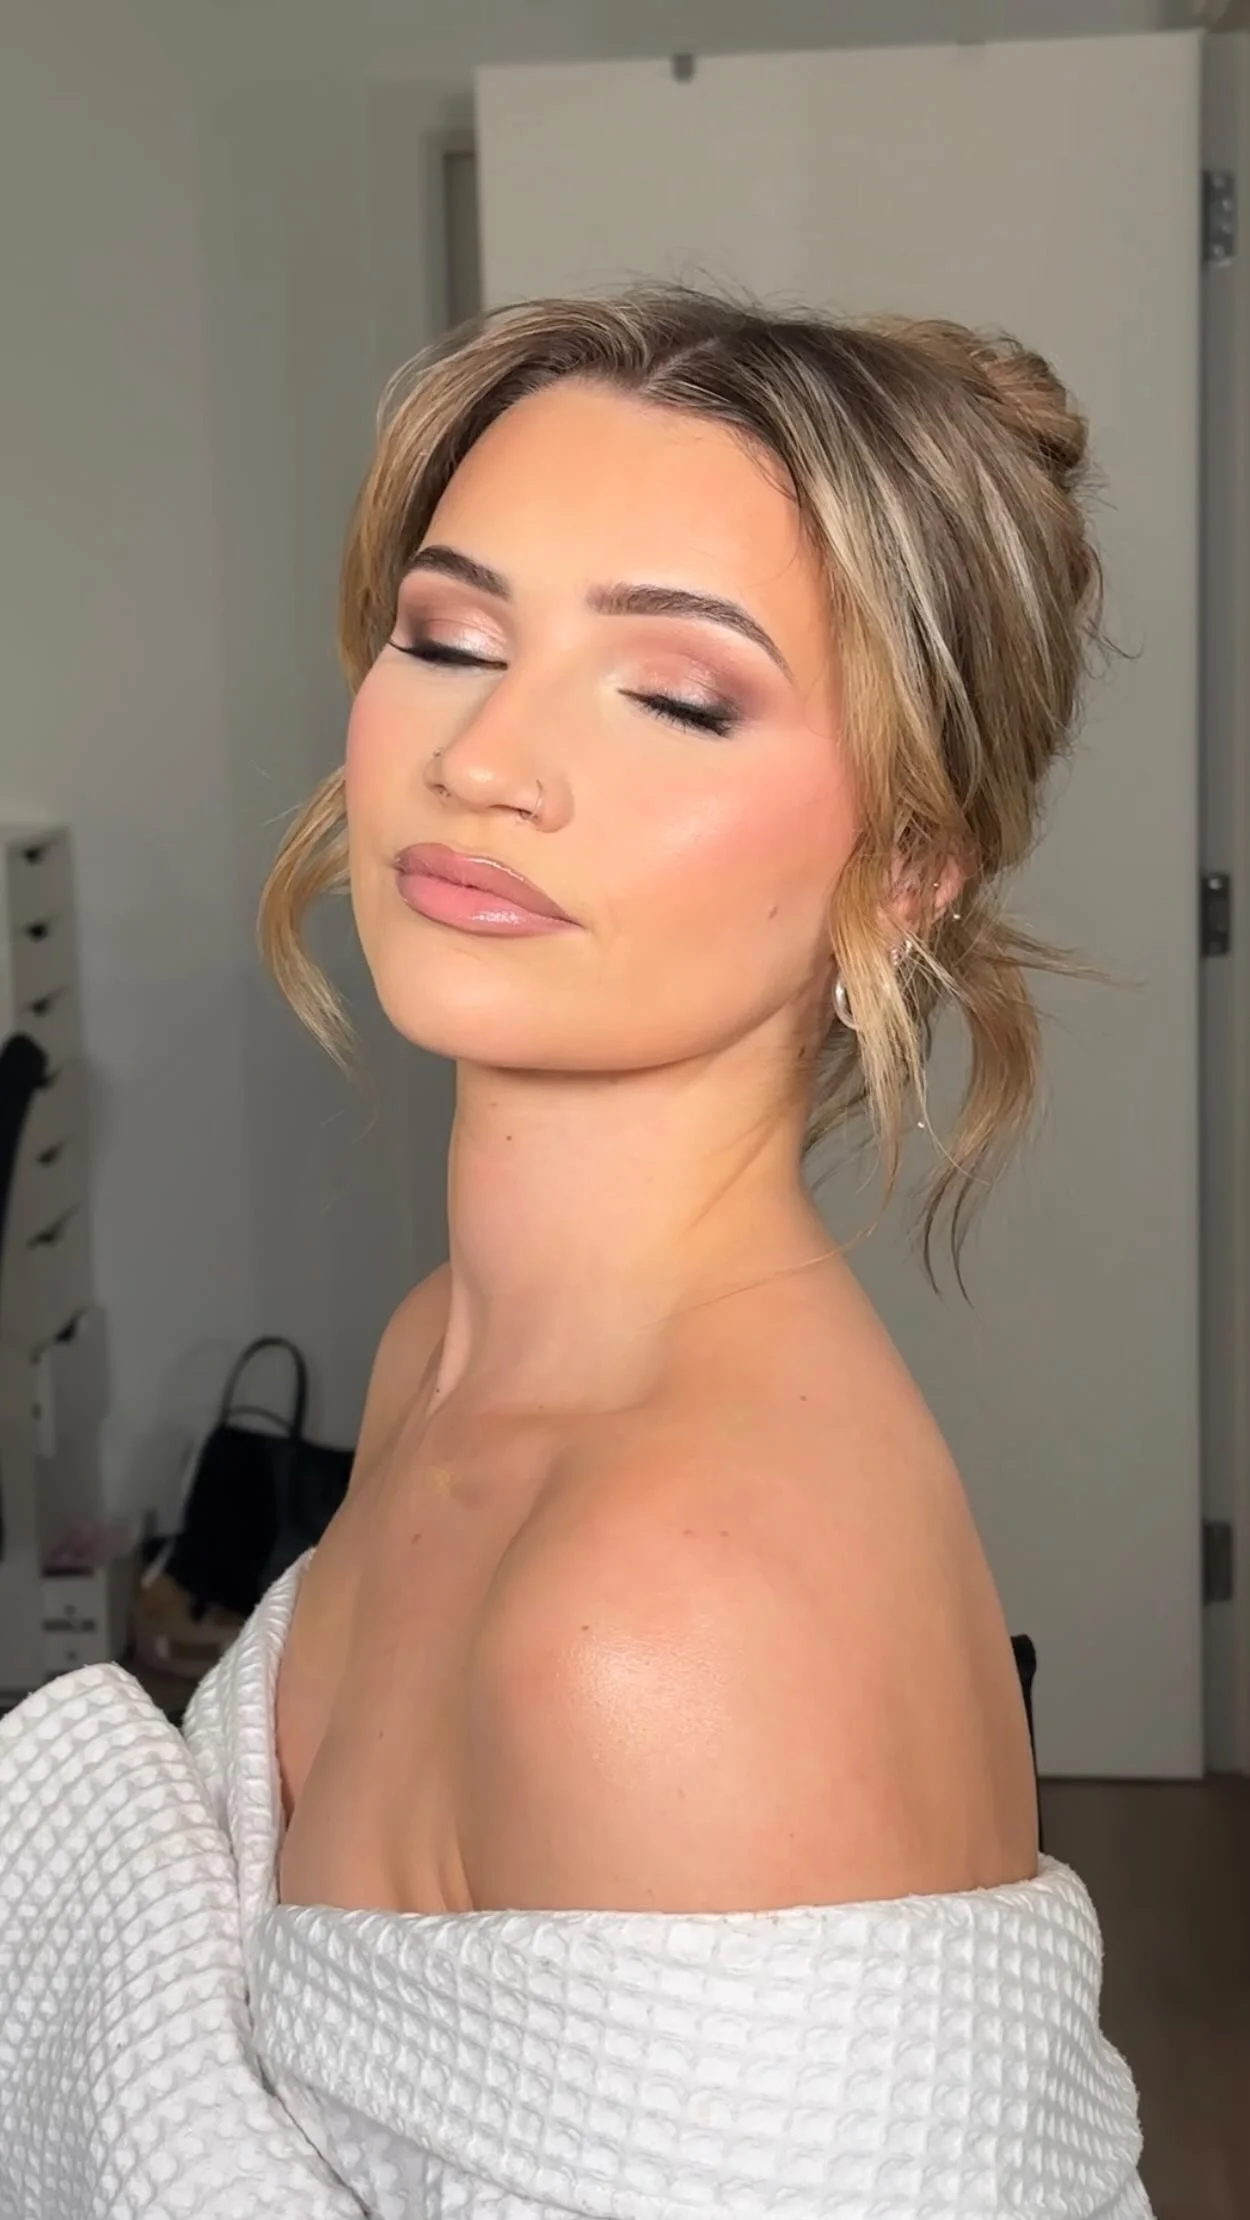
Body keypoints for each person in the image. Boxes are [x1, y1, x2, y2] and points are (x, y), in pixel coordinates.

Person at [0, 287, 1152, 2220]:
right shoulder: (439, 1350)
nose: (486, 757)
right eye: (449, 639)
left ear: (904, 865)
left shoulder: (665, 1623)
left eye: (675, 695)